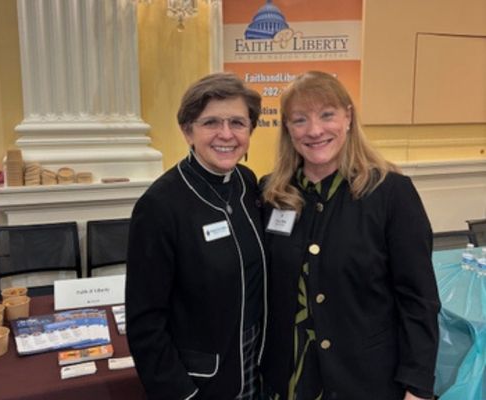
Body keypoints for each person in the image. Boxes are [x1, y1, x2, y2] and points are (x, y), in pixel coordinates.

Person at [260, 71, 440, 400]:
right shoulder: (271, 194)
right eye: (300, 120)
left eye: (327, 115)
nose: (315, 130)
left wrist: (417, 385)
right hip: (288, 381)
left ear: (348, 117)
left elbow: (418, 298)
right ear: (287, 128)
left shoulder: (390, 193)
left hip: (366, 381)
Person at [126, 72, 267, 400]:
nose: (226, 134)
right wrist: (182, 394)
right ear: (188, 131)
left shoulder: (247, 183)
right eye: (211, 122)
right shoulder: (160, 206)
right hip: (201, 384)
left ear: (250, 130)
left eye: (237, 122)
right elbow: (145, 323)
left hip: (256, 367)